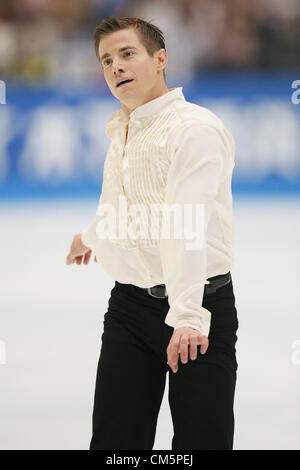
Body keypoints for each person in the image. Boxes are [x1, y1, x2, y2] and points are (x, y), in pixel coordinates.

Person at [66, 16, 239, 450]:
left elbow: (185, 226)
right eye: (107, 61)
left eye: (127, 54)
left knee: (202, 443)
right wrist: (93, 234)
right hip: (129, 307)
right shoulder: (124, 127)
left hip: (199, 307)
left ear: (160, 59)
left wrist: (185, 315)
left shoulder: (192, 130)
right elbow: (126, 200)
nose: (116, 68)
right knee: (114, 443)